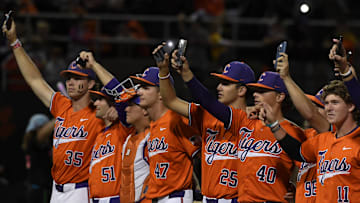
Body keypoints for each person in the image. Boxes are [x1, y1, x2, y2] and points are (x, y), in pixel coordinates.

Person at [164, 48, 304, 202]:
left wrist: (299, 191)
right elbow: (184, 101)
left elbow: (303, 163)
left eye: (225, 83)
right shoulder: (243, 120)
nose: (219, 88)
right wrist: (167, 71)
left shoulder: (271, 125)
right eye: (256, 91)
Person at [2, 19, 104, 202]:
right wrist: (15, 42)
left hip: (82, 190)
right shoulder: (62, 105)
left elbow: (122, 98)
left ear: (91, 84)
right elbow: (35, 80)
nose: (71, 82)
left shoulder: (100, 113)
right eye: (69, 78)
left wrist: (95, 66)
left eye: (77, 78)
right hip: (56, 190)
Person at [154, 44, 255, 201]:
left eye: (226, 83)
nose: (219, 87)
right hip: (208, 197)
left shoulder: (250, 119)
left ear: (242, 90)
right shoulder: (207, 114)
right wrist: (163, 71)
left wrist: (187, 74)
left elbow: (206, 99)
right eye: (220, 82)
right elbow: (170, 100)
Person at [265, 79, 360, 202]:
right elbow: (296, 151)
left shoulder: (356, 140)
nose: (329, 108)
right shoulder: (320, 139)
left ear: (351, 106)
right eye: (326, 103)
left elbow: (311, 115)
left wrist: (286, 77)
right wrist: (274, 125)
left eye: (335, 102)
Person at [79, 51, 152, 202]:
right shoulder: (99, 135)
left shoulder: (123, 129)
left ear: (112, 105)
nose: (95, 103)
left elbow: (118, 92)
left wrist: (94, 65)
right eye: (96, 99)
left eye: (101, 100)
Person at [130, 66, 200, 203]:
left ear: (162, 92)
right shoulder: (154, 125)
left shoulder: (177, 120)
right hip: (159, 197)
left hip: (176, 196)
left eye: (146, 87)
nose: (139, 92)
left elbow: (201, 153)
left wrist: (200, 188)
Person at [23, 114, 55, 203]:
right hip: (38, 188)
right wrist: (62, 114)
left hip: (38, 186)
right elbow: (43, 133)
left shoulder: (41, 142)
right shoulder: (33, 140)